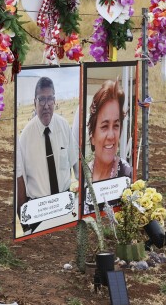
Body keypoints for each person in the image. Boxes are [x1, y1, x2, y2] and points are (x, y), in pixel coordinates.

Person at [15, 76, 79, 211]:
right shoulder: (25, 138)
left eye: (50, 99)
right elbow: (21, 182)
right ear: (34, 102)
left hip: (64, 203)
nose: (46, 105)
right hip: (39, 208)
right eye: (41, 99)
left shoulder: (64, 127)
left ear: (54, 100)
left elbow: (76, 166)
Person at [87, 79, 132, 184]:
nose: (111, 136)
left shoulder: (128, 176)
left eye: (116, 125)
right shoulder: (84, 176)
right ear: (92, 135)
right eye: (105, 126)